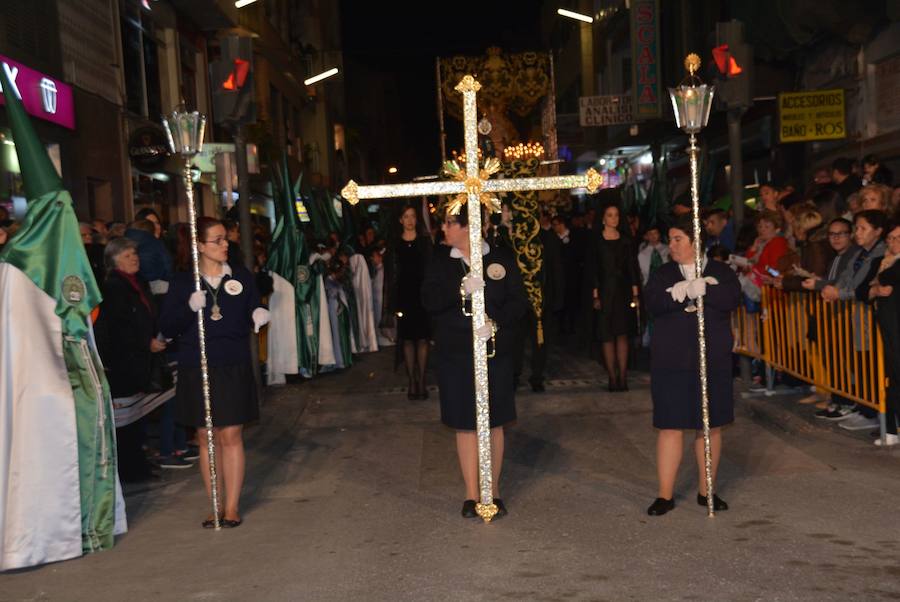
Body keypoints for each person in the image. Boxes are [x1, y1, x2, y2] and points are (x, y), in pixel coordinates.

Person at [160, 217, 270, 528]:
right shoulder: (183, 282)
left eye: (226, 239)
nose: (225, 245)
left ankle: (232, 506)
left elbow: (253, 306)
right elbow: (167, 327)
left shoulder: (240, 276)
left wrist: (258, 312)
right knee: (206, 435)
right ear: (199, 246)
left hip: (232, 361)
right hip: (198, 364)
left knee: (230, 433)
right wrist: (188, 308)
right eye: (217, 240)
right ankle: (215, 503)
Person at [422, 209, 527, 519]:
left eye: (449, 223)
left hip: (494, 352)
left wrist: (496, 323)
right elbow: (428, 300)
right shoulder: (441, 259)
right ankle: (471, 494)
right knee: (465, 423)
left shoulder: (499, 257)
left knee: (494, 422)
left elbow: (519, 301)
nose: (443, 227)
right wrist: (459, 291)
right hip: (456, 353)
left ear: (469, 227)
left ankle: (492, 491)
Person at [643, 217, 742, 516]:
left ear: (695, 241)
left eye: (677, 239)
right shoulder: (663, 273)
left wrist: (706, 290)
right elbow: (654, 302)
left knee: (709, 426)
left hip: (712, 359)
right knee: (671, 426)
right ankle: (665, 494)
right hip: (672, 361)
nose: (671, 245)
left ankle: (706, 490)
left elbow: (731, 298)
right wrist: (683, 292)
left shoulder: (720, 271)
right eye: (670, 239)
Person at [95, 237, 172, 480]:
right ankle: (130, 468)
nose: (135, 258)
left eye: (135, 253)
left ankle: (138, 463)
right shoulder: (114, 287)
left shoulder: (137, 282)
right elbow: (120, 327)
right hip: (124, 361)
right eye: (128, 255)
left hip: (140, 358)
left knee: (138, 416)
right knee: (126, 420)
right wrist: (145, 341)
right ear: (115, 260)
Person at [587, 203, 640, 391]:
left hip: (623, 292)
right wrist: (595, 295)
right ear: (603, 218)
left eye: (616, 215)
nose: (614, 218)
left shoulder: (626, 240)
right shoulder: (596, 241)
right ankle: (612, 377)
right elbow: (593, 269)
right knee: (607, 336)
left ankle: (623, 376)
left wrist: (635, 294)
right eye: (610, 215)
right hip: (604, 292)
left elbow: (632, 268)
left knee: (622, 334)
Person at [386, 205, 433, 399]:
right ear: (400, 220)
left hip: (422, 297)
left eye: (413, 216)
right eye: (406, 217)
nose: (410, 220)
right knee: (407, 340)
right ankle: (411, 380)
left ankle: (421, 379)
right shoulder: (395, 244)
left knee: (422, 339)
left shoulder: (425, 242)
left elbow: (431, 270)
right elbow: (391, 275)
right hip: (404, 297)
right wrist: (393, 303)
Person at [864, 219, 900, 446]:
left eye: (898, 238)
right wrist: (876, 288)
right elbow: (863, 290)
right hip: (887, 328)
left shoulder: (891, 265)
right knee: (890, 377)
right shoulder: (882, 261)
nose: (893, 242)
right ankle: (891, 428)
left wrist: (876, 286)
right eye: (891, 238)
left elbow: (887, 279)